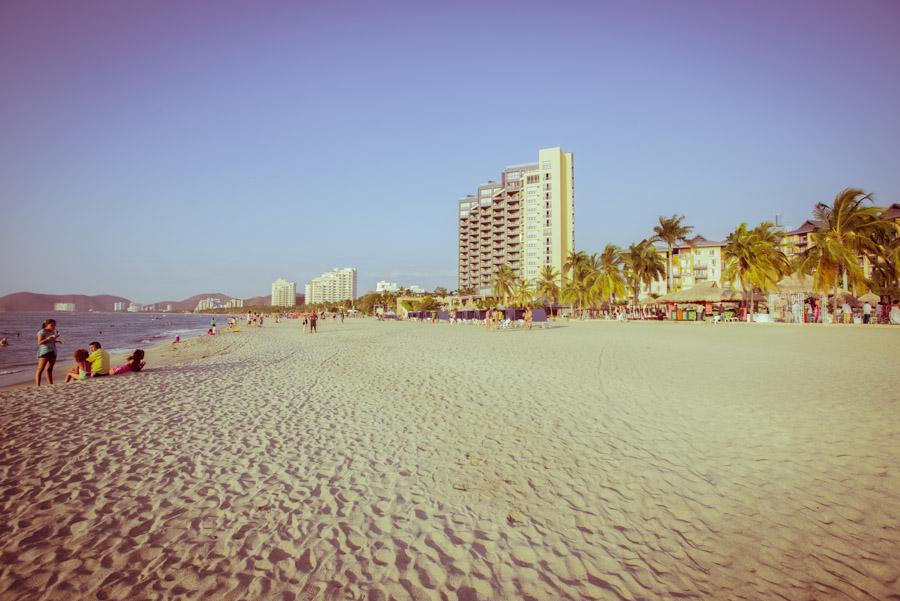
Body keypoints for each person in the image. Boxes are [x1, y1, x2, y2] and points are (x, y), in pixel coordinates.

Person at [35, 319, 60, 386]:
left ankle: (51, 384)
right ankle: (38, 386)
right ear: (46, 325)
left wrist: (56, 340)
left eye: (54, 325)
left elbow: (51, 340)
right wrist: (49, 338)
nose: (54, 326)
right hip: (44, 352)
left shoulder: (53, 331)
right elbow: (39, 342)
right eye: (52, 325)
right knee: (40, 369)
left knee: (49, 369)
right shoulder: (42, 331)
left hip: (53, 351)